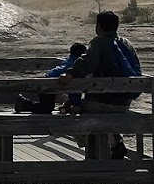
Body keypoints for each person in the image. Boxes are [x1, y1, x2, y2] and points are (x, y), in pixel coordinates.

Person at [61, 11, 143, 157]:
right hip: (123, 104)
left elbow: (86, 63)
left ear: (99, 26)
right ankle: (116, 142)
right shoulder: (127, 44)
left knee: (73, 110)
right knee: (102, 114)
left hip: (101, 103)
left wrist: (70, 73)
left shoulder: (99, 42)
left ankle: (93, 155)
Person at [15, 42, 87, 114]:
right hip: (48, 84)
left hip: (46, 79)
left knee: (47, 106)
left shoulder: (69, 61)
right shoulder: (77, 66)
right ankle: (24, 103)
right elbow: (74, 87)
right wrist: (76, 104)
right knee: (46, 108)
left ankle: (24, 104)